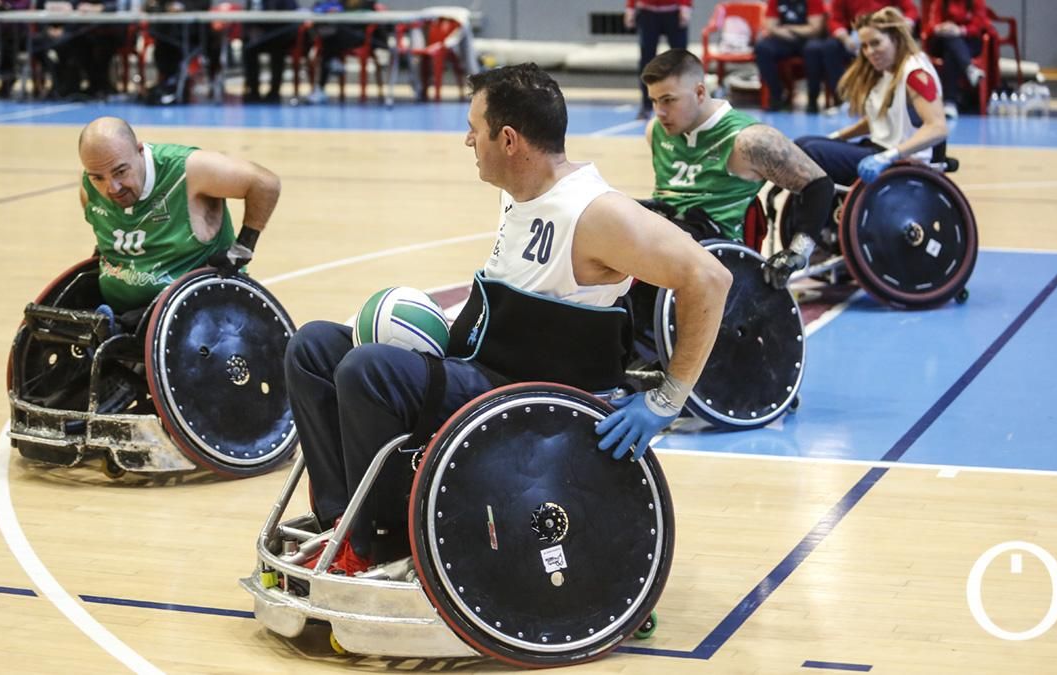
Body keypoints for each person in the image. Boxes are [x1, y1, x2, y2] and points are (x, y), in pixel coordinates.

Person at [284, 63, 732, 576]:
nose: (467, 140)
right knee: (314, 347)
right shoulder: (519, 195)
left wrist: (667, 398)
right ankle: (340, 521)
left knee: (369, 371)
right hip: (480, 367)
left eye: (475, 129)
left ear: (510, 139)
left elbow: (710, 278)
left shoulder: (596, 213)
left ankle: (375, 542)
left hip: (528, 396)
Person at [640, 49, 835, 288]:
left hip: (715, 254)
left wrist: (797, 253)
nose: (659, 112)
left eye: (668, 100)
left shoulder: (749, 140)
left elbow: (819, 185)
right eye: (654, 101)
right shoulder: (656, 131)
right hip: (663, 238)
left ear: (700, 92)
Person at [77, 116, 280, 314]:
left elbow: (265, 184)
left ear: (140, 151)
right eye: (97, 177)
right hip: (113, 313)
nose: (112, 187)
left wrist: (244, 246)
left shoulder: (187, 170)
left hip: (194, 313)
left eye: (120, 171)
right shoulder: (89, 188)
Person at [795, 8, 948, 188]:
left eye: (876, 43)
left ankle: (812, 215)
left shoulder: (916, 74)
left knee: (813, 152)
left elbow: (938, 127)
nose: (869, 52)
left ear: (896, 39)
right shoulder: (886, 71)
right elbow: (877, 120)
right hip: (877, 148)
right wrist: (836, 137)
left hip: (902, 158)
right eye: (865, 46)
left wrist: (888, 156)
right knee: (801, 144)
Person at [803, 0, 917, 113]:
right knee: (829, 47)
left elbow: (911, 10)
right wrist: (845, 38)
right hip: (854, 35)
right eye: (865, 47)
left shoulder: (916, 70)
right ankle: (842, 100)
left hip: (884, 31)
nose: (870, 52)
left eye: (873, 45)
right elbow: (835, 20)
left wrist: (904, 26)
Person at [753, 0, 828, 113]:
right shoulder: (775, 1)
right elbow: (771, 26)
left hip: (809, 40)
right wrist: (789, 34)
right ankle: (777, 95)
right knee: (762, 48)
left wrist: (790, 28)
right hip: (784, 38)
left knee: (813, 50)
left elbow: (815, 29)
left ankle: (812, 99)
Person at [925, 0, 992, 118]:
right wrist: (941, 28)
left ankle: (950, 103)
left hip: (968, 41)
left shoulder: (977, 2)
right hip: (941, 40)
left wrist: (960, 30)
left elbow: (979, 25)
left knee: (951, 52)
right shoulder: (940, 2)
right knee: (950, 39)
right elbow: (932, 24)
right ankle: (969, 68)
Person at [625, 0, 691, 119]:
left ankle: (684, 103)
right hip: (647, 13)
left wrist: (685, 5)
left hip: (674, 11)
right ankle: (646, 105)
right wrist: (630, 8)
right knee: (646, 62)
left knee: (680, 61)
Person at [242, 0, 299, 104]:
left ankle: (274, 92)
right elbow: (247, 14)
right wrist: (251, 30)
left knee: (278, 50)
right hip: (258, 35)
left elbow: (292, 12)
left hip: (278, 33)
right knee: (248, 50)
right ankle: (254, 91)